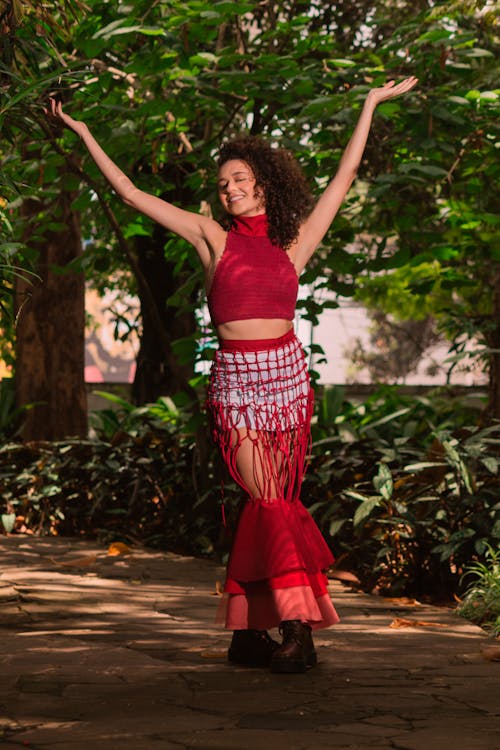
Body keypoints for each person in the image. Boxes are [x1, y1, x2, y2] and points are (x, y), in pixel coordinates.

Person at [48, 75, 418, 673]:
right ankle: (299, 630)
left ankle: (249, 633)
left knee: (274, 500)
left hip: (287, 385)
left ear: (263, 184)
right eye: (222, 185)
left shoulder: (294, 245)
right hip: (239, 388)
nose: (228, 191)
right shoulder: (213, 239)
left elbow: (344, 179)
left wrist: (369, 105)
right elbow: (130, 192)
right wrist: (85, 131)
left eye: (239, 180)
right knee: (269, 499)